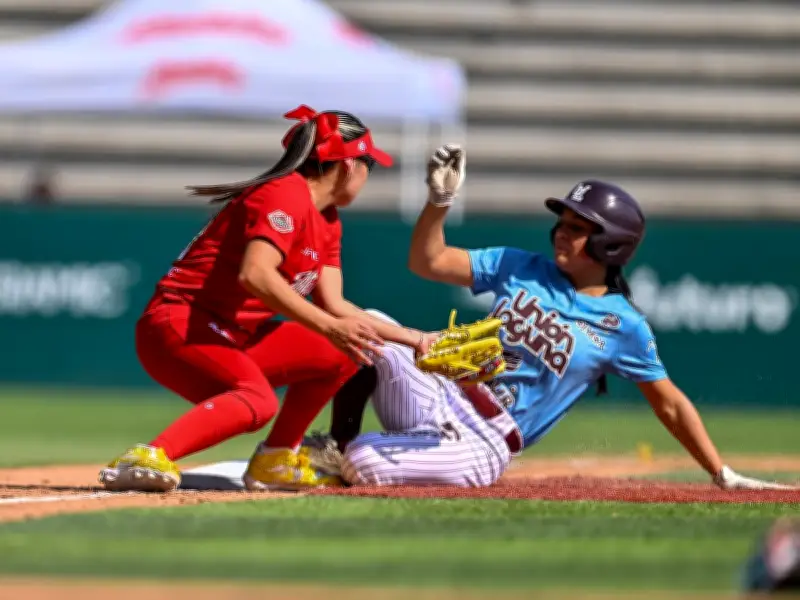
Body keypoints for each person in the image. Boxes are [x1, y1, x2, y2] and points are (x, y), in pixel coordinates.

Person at [302, 144, 789, 491]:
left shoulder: (623, 325)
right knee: (370, 323)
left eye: (578, 229)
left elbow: (670, 405)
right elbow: (427, 262)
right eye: (563, 222)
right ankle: (335, 445)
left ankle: (380, 454)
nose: (562, 232)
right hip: (445, 391)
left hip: (488, 438)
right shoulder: (522, 266)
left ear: (610, 244)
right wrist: (438, 203)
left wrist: (719, 471)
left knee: (366, 463)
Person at [99, 105, 434, 493]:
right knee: (259, 401)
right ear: (348, 166)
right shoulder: (283, 194)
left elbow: (337, 307)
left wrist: (418, 339)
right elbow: (255, 275)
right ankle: (147, 455)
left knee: (346, 350)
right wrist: (331, 326)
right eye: (368, 166)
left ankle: (275, 460)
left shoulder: (327, 220)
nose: (367, 175)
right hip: (178, 327)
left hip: (232, 336)